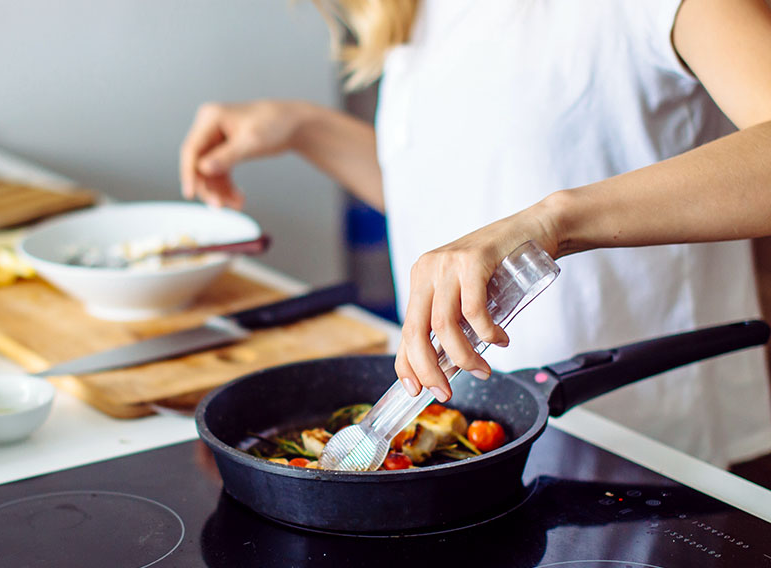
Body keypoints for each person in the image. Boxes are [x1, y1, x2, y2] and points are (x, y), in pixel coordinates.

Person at [178, 0, 771, 468]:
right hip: (488, 447)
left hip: (653, 452)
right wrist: (305, 129)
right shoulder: (419, 9)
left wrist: (552, 223)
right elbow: (462, 201)